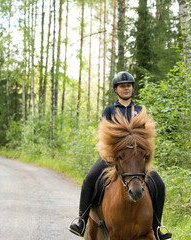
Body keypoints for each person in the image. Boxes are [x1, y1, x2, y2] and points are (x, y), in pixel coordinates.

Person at [69, 71, 172, 240]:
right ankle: (81, 219)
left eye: (129, 86)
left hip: (137, 159)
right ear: (116, 90)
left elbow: (146, 136)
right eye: (122, 86)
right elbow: (104, 135)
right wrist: (110, 153)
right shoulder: (110, 110)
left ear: (132, 88)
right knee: (90, 179)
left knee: (159, 185)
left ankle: (157, 227)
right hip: (113, 158)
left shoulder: (140, 110)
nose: (126, 89)